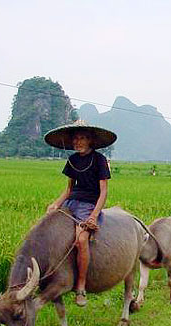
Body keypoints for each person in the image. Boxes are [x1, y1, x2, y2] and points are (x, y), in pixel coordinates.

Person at [44, 120, 116, 307]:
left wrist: (93, 215)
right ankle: (51, 278)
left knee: (81, 239)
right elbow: (69, 189)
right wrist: (56, 203)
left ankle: (81, 286)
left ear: (90, 140)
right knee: (48, 229)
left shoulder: (99, 160)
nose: (77, 142)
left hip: (89, 204)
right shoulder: (73, 160)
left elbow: (104, 192)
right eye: (75, 138)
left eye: (82, 138)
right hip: (71, 203)